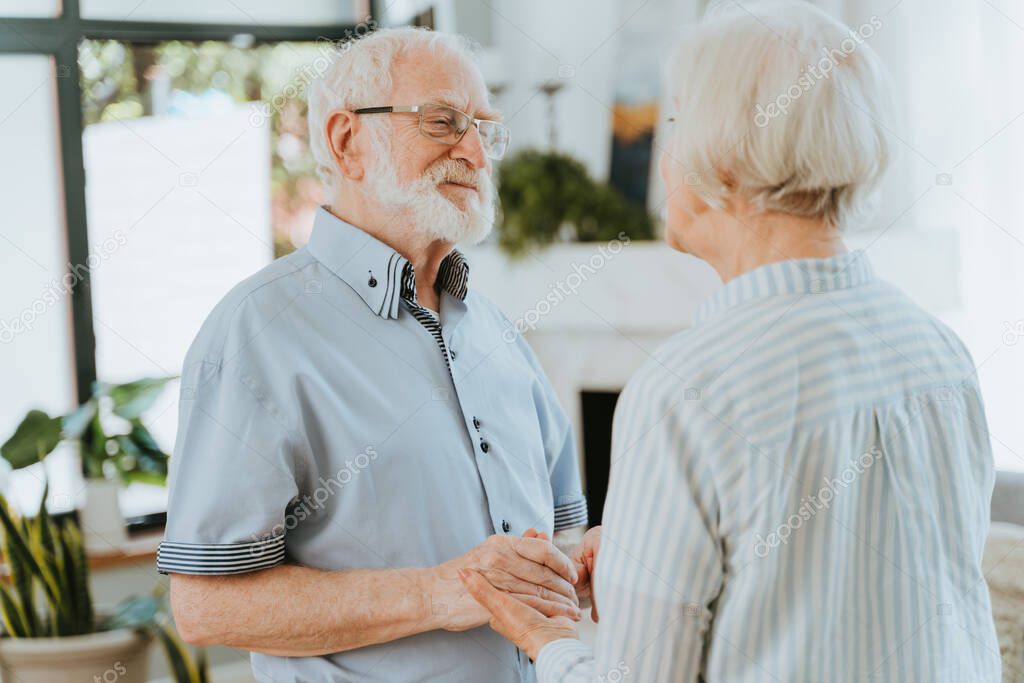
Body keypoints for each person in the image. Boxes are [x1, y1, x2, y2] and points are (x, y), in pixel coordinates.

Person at [462, 2, 1002, 681]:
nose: (664, 156)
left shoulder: (684, 392)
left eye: (675, 123)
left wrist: (547, 638)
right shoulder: (941, 352)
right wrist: (643, 555)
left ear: (724, 157)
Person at [159, 27, 591, 682]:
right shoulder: (254, 334)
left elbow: (557, 544)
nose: (475, 151)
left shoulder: (500, 334)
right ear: (345, 141)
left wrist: (590, 558)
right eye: (444, 123)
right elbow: (204, 605)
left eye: (485, 128)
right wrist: (444, 591)